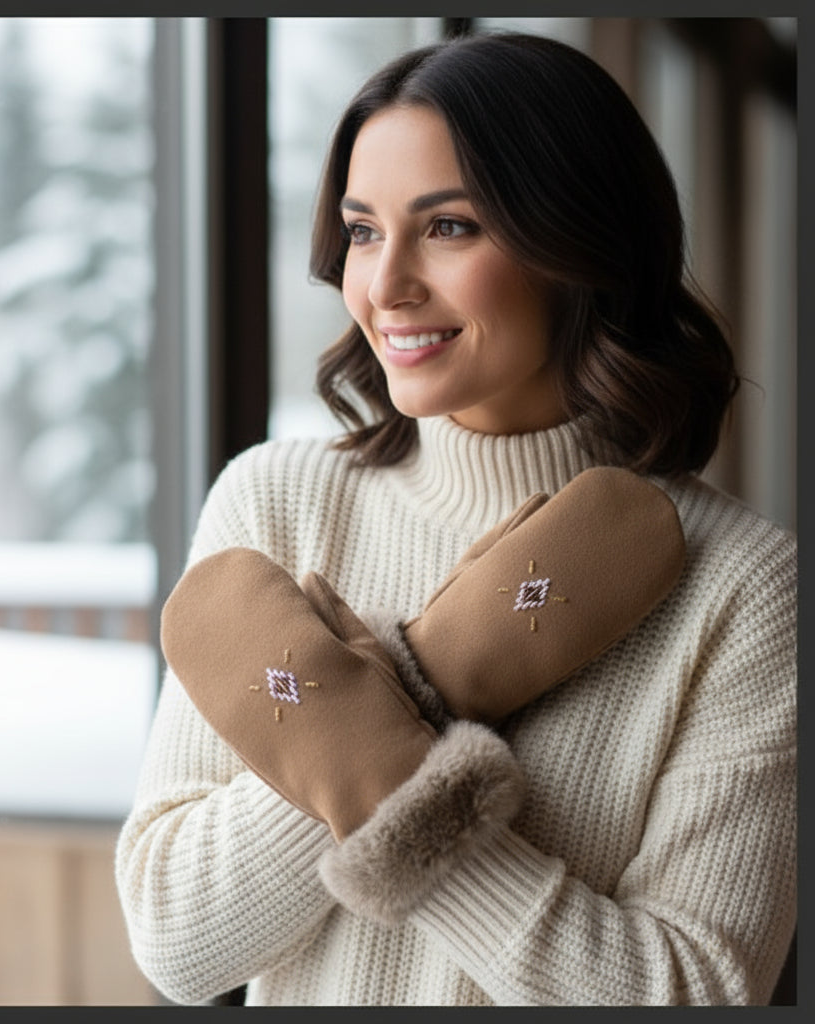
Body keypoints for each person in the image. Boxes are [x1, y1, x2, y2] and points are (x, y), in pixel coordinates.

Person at [114, 31, 796, 1006]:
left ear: (581, 245)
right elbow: (175, 941)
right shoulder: (274, 504)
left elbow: (694, 991)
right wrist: (430, 673)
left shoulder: (742, 586)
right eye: (360, 231)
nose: (384, 284)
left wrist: (393, 778)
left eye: (448, 227)